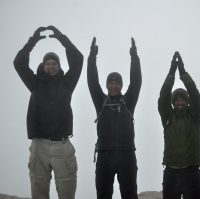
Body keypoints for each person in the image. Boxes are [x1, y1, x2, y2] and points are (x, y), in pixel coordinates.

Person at [13, 26, 83, 199]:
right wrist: (33, 40)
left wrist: (61, 38)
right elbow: (19, 63)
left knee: (67, 194)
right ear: (43, 66)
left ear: (59, 67)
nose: (51, 66)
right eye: (48, 63)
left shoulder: (67, 84)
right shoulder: (34, 83)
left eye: (54, 63)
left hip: (62, 145)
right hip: (39, 145)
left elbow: (78, 59)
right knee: (38, 194)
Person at [87, 37, 142, 199]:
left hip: (127, 156)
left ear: (121, 85)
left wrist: (134, 57)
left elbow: (136, 81)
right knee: (103, 195)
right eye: (110, 83)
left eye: (117, 82)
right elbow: (92, 82)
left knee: (129, 195)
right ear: (107, 86)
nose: (113, 85)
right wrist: (92, 58)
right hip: (105, 156)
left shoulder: (129, 101)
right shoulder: (100, 101)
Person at [158, 52, 200, 199]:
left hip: (192, 172)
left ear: (187, 102)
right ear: (173, 103)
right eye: (176, 100)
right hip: (171, 173)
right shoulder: (167, 116)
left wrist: (183, 73)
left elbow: (195, 94)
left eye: (183, 99)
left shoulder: (195, 117)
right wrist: (171, 72)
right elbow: (163, 96)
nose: (179, 102)